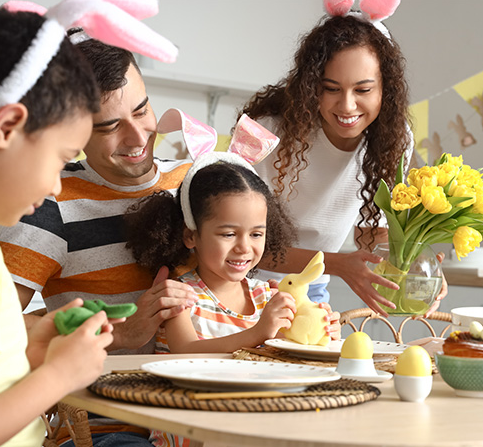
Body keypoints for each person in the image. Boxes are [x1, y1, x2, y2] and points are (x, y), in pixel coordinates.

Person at [0, 6, 117, 446]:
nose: (56, 184)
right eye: (61, 158)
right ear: (9, 125)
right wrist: (61, 375)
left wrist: (27, 353)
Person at [0, 29, 199, 355]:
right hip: (105, 401)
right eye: (110, 127)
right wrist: (119, 334)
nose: (137, 138)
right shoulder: (50, 200)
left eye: (142, 110)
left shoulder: (197, 181)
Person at [240, 3, 448, 316]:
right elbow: (237, 243)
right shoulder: (266, 131)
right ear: (312, 87)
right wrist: (337, 264)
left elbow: (372, 232)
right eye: (331, 89)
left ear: (385, 90)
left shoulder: (393, 138)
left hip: (313, 286)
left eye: (363, 89)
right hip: (242, 284)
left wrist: (418, 263)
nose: (347, 105)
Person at [125, 152, 340, 447]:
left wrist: (322, 334)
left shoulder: (268, 294)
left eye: (256, 234)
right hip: (192, 431)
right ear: (191, 236)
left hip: (254, 427)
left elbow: (294, 356)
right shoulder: (181, 295)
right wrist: (257, 333)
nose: (244, 247)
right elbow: (187, 352)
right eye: (228, 234)